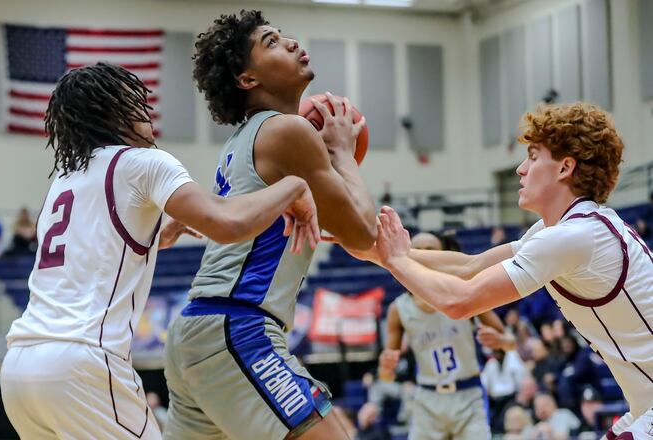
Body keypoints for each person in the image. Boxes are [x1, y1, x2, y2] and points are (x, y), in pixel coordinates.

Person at [0, 62, 321, 440]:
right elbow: (228, 223)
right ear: (114, 112)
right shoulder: (144, 162)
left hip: (19, 369)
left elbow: (100, 249)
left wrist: (161, 233)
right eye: (136, 103)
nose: (147, 112)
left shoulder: (65, 181)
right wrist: (294, 186)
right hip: (81, 362)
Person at [335, 102, 653, 439]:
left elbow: (460, 301)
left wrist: (396, 260)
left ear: (565, 167)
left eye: (533, 157)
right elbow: (469, 267)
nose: (520, 169)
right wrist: (377, 252)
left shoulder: (573, 237)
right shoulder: (566, 230)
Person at [163, 10, 377, 440]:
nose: (292, 43)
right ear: (247, 79)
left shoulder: (242, 140)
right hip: (237, 327)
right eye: (272, 42)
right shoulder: (288, 132)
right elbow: (363, 234)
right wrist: (341, 152)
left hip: (198, 329)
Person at [380, 232, 516, 440]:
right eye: (417, 250)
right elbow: (386, 377)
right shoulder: (398, 309)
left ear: (443, 256)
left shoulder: (465, 292)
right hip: (427, 400)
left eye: (430, 250)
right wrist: (385, 367)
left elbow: (511, 343)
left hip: (468, 396)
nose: (423, 256)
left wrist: (501, 341)